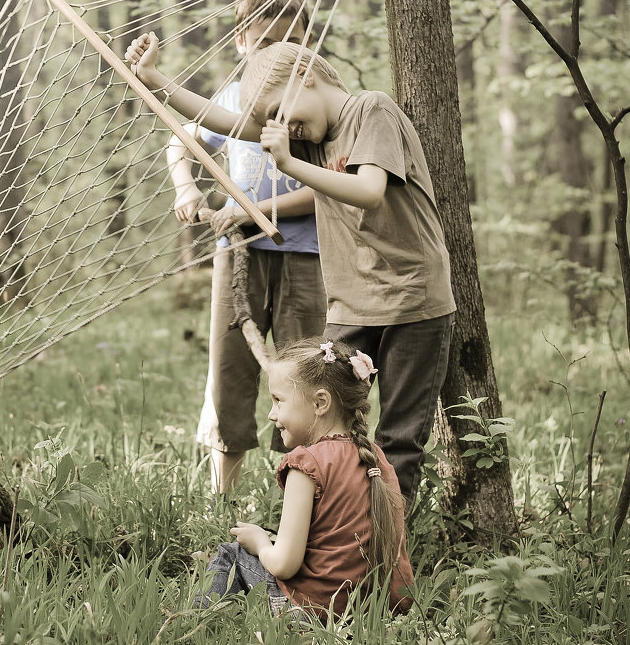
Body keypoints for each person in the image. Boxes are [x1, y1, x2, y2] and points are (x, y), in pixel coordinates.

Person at [125, 34, 455, 508]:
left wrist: (288, 164)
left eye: (284, 113)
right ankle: (329, 531)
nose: (287, 128)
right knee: (325, 424)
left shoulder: (371, 110)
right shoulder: (311, 138)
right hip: (351, 302)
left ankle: (386, 552)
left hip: (413, 301)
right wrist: (156, 81)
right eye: (276, 122)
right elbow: (228, 121)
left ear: (307, 75)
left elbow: (369, 190)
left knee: (398, 438)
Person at [168, 0, 325, 495]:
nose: (280, 53)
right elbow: (181, 142)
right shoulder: (233, 99)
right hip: (237, 253)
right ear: (241, 41)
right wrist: (187, 187)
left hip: (306, 255)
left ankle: (299, 492)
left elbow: (329, 190)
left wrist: (256, 208)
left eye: (294, 42)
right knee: (230, 366)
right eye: (265, 43)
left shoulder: (315, 101)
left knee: (304, 369)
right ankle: (223, 494)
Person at [198, 338, 413, 619]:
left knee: (232, 553)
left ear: (320, 402)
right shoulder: (376, 459)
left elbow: (284, 565)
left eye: (278, 400)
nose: (271, 414)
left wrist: (261, 543)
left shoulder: (306, 463)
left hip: (312, 610)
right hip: (372, 611)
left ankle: (196, 623)